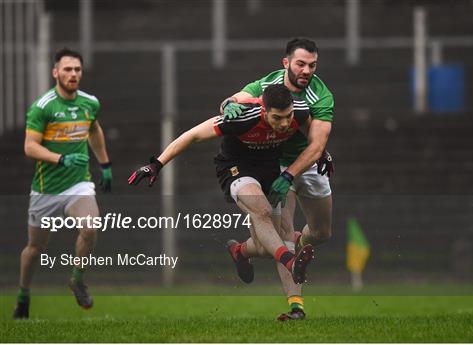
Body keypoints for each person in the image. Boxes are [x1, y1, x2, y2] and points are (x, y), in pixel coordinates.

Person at [128, 84, 315, 289]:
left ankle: (240, 251)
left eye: (288, 117)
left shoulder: (300, 112)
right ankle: (291, 261)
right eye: (277, 118)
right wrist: (156, 164)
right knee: (261, 211)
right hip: (236, 168)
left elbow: (313, 135)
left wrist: (321, 153)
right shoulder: (242, 118)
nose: (284, 123)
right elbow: (192, 135)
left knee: (264, 248)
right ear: (264, 111)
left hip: (269, 170)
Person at [219, 38, 335, 321]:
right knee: (284, 236)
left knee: (320, 233)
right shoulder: (266, 85)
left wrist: (291, 174)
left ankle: (241, 249)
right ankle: (297, 307)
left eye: (312, 65)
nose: (307, 70)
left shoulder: (321, 96)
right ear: (286, 63)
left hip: (306, 163)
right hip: (273, 162)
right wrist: (227, 105)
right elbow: (235, 100)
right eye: (301, 64)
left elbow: (317, 147)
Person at [13, 48, 113, 319]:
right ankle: (23, 295)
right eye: (67, 69)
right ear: (55, 72)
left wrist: (104, 165)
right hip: (45, 189)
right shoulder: (43, 106)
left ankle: (77, 279)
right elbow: (30, 147)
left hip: (78, 185)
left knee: (91, 226)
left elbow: (94, 129)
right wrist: (61, 159)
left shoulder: (89, 103)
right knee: (35, 249)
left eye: (77, 70)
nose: (73, 74)